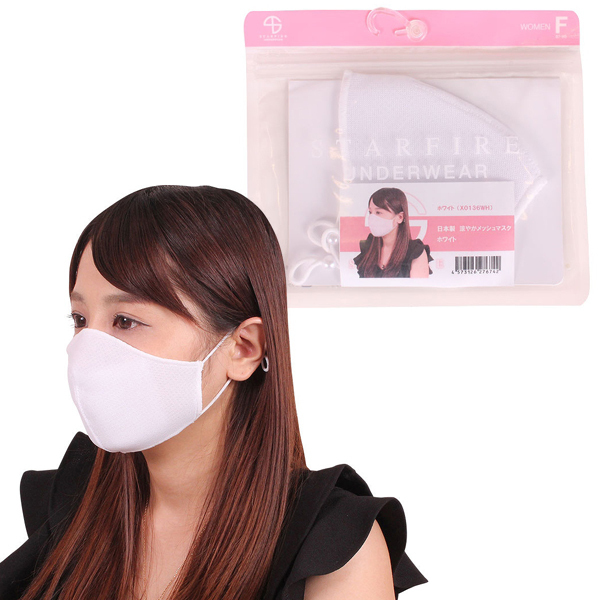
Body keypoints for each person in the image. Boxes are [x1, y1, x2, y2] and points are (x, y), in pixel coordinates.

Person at [0, 185, 427, 600]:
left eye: (125, 321)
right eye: (80, 319)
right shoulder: (71, 509)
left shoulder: (333, 544)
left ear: (243, 349)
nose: (88, 350)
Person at [354, 187, 433, 279]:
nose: (372, 218)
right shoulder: (369, 247)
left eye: (378, 212)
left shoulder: (415, 252)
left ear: (400, 217)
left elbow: (418, 288)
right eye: (370, 212)